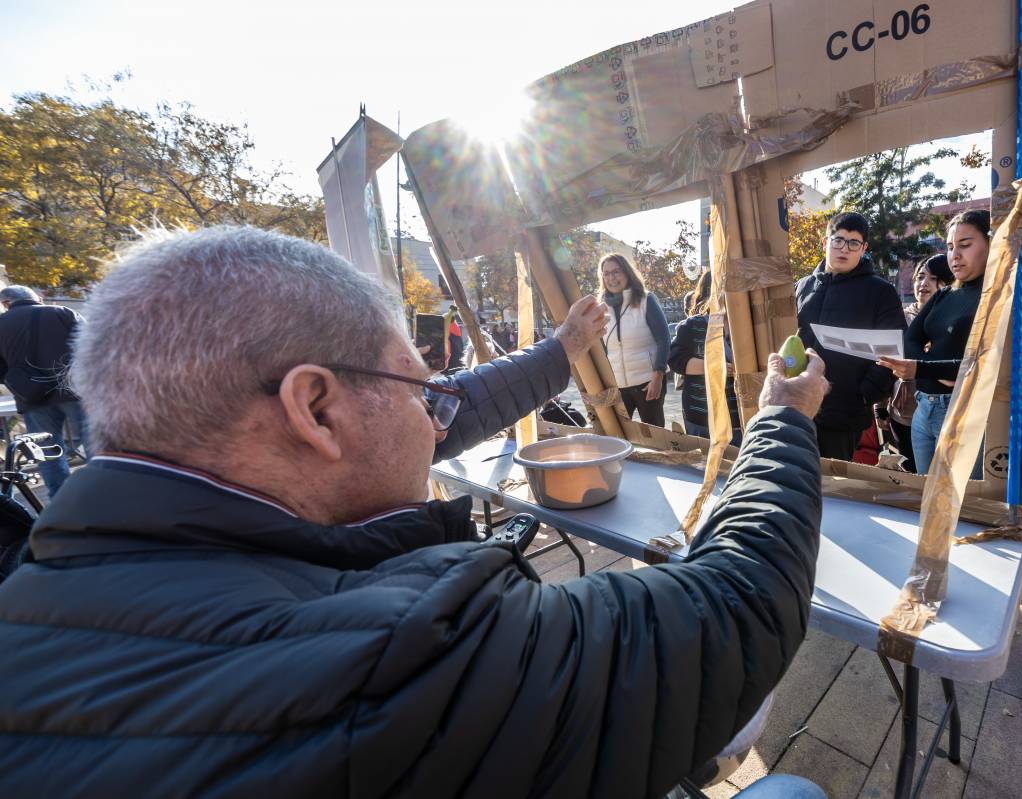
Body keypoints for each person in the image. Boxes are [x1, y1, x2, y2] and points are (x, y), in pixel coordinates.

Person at [0, 225, 832, 799]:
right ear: (315, 410)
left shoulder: (40, 592)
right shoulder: (395, 662)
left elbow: (428, 419)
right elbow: (740, 599)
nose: (441, 414)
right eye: (421, 389)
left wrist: (556, 356)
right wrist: (785, 418)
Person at [878, 210, 990, 476]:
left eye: (965, 245)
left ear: (992, 244)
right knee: (927, 495)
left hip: (963, 411)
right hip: (923, 408)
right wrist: (933, 368)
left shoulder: (995, 298)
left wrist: (922, 368)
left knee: (963, 504)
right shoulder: (945, 295)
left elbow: (984, 361)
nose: (955, 255)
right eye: (950, 247)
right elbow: (911, 338)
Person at [795, 211, 906, 460]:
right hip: (797, 405)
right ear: (825, 243)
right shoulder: (802, 287)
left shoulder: (880, 292)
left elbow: (894, 349)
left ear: (863, 247)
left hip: (843, 412)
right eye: (838, 240)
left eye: (853, 243)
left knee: (834, 489)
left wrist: (865, 393)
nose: (844, 249)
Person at [0, 285, 88, 496]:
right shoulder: (62, 313)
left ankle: (61, 500)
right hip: (75, 389)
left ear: (6, 304)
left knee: (47, 452)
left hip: (32, 398)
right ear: (37, 299)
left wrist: (17, 380)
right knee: (96, 442)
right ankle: (107, 491)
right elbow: (94, 345)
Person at [877, 255, 953, 471]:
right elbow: (883, 362)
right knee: (913, 474)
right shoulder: (900, 319)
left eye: (934, 278)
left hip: (946, 411)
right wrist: (880, 408)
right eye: (920, 277)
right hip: (903, 414)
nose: (924, 284)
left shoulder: (955, 319)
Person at [667, 270, 742, 445]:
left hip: (739, 418)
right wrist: (713, 366)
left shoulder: (750, 327)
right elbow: (675, 359)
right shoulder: (692, 325)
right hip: (701, 417)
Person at [598, 252, 671, 426]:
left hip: (647, 382)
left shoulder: (646, 300)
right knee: (617, 435)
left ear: (627, 273)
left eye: (616, 272)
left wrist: (658, 376)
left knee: (655, 435)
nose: (611, 278)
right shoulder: (600, 307)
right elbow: (600, 348)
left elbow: (664, 339)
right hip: (616, 385)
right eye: (606, 273)